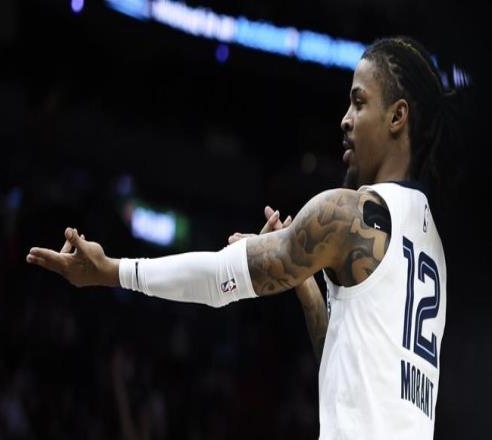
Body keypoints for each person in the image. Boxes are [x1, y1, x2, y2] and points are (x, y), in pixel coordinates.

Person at [26, 36, 454, 439]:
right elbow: (345, 371)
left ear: (397, 116)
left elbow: (220, 279)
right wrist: (305, 286)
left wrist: (112, 271)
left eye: (359, 103)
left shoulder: (348, 214)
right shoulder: (430, 246)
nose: (345, 119)